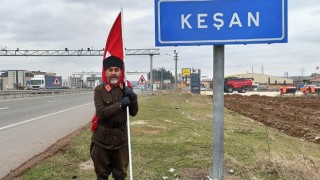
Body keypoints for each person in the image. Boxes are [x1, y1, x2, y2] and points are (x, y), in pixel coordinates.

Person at [90, 56, 139, 180]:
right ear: (106, 72)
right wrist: (121, 104)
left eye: (116, 70)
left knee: (120, 175)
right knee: (101, 175)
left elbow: (133, 113)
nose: (113, 73)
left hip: (121, 141)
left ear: (121, 72)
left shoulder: (126, 89)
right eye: (110, 70)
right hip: (102, 141)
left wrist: (133, 98)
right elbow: (101, 112)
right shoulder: (99, 90)